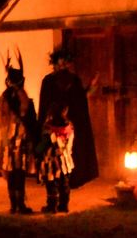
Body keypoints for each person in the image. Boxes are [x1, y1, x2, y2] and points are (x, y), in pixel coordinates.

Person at [37, 46, 99, 187]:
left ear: (69, 63)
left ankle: (70, 180)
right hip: (53, 126)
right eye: (60, 63)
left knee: (69, 155)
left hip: (69, 126)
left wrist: (91, 87)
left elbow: (80, 99)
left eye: (65, 63)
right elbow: (44, 105)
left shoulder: (74, 80)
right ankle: (54, 181)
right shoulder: (48, 81)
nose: (63, 66)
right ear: (55, 64)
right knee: (53, 155)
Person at [0, 52, 38, 214]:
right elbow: (28, 118)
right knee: (17, 175)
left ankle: (15, 205)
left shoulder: (1, 99)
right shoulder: (20, 98)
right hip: (17, 144)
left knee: (12, 175)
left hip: (7, 144)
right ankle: (18, 205)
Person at [38, 104, 75, 214]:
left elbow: (43, 144)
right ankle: (64, 205)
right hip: (65, 159)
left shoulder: (48, 128)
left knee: (52, 183)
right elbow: (70, 143)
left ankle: (52, 206)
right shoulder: (69, 127)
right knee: (65, 183)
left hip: (52, 160)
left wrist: (38, 151)